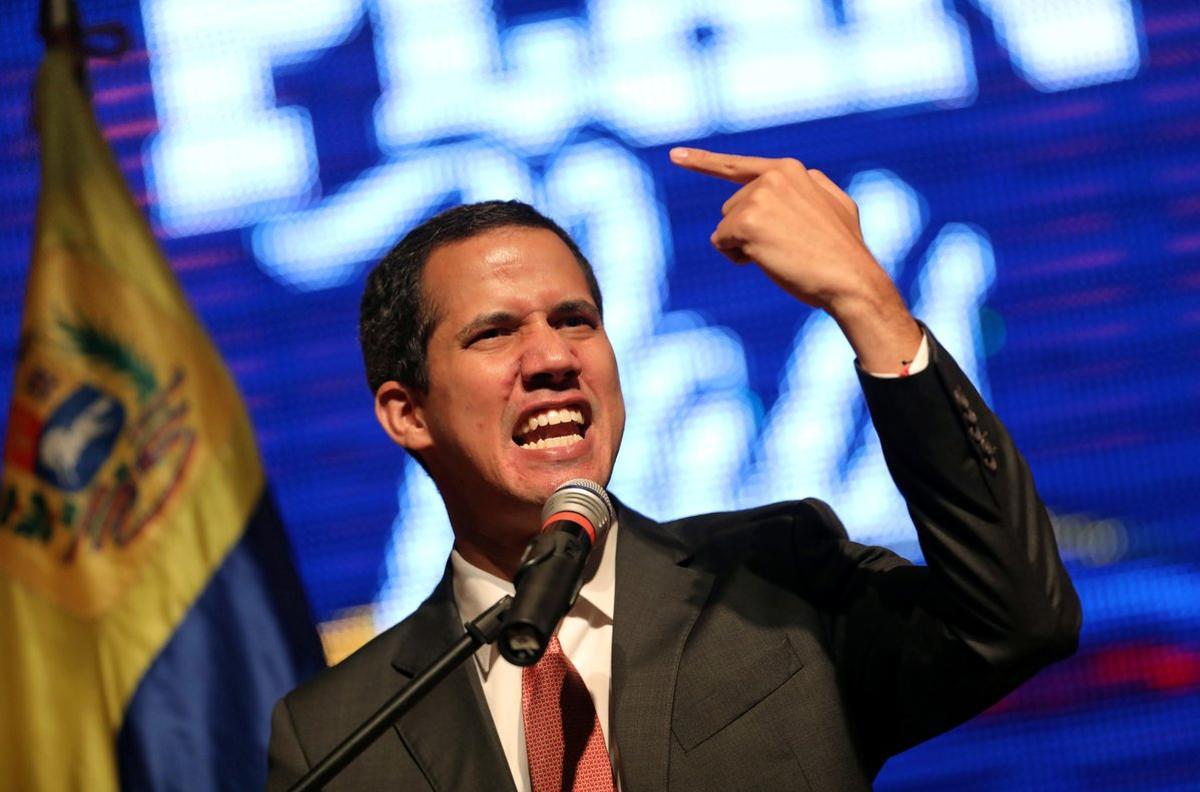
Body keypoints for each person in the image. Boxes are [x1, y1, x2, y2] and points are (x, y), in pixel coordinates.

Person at [267, 148, 1081, 791]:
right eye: (495, 333)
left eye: (576, 320)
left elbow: (1019, 618)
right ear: (408, 413)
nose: (552, 356)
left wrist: (866, 299)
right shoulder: (340, 735)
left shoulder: (780, 580)